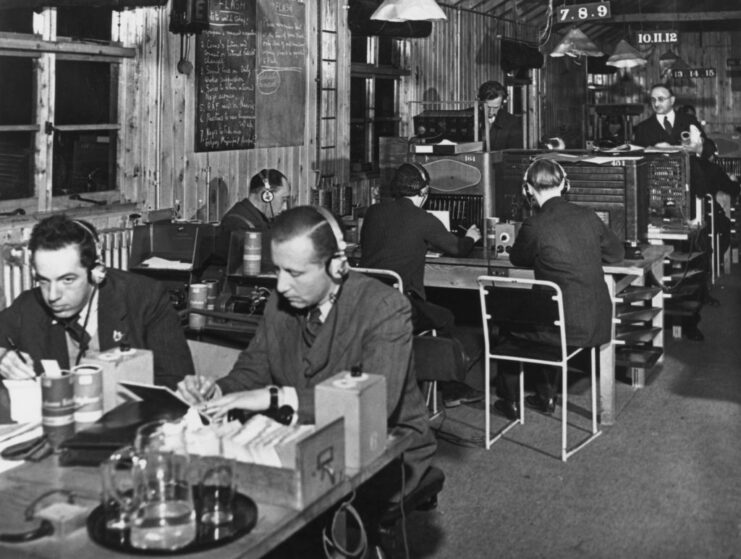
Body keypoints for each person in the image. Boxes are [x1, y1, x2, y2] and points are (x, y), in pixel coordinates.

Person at [179, 205, 437, 499]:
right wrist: (218, 392)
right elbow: (254, 368)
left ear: (336, 266)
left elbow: (376, 405)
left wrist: (278, 398)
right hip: (305, 430)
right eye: (277, 270)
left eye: (294, 273)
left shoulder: (384, 308)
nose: (281, 285)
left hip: (388, 444)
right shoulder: (280, 301)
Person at [0, 215, 195, 420]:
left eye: (67, 280)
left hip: (132, 426)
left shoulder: (145, 298)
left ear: (97, 273)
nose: (52, 295)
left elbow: (177, 382)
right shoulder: (29, 305)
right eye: (43, 281)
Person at [494, 158, 625, 419]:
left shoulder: (535, 224)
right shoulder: (588, 216)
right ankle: (545, 396)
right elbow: (617, 254)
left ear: (527, 190)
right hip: (597, 322)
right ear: (565, 184)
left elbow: (517, 259)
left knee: (509, 323)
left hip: (563, 328)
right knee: (543, 312)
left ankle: (510, 401)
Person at [360, 162, 484, 407]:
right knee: (446, 317)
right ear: (424, 193)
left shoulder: (373, 213)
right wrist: (471, 236)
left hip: (365, 302)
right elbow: (458, 248)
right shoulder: (423, 218)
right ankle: (451, 388)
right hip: (399, 305)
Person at [215, 168, 290, 263]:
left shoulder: (261, 219)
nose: (285, 207)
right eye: (283, 200)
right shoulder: (237, 223)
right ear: (267, 196)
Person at [633, 84, 705, 149]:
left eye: (661, 99)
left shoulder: (689, 120)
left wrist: (697, 147)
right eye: (653, 100)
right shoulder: (643, 128)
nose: (656, 104)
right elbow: (639, 157)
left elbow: (708, 146)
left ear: (672, 100)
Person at [477, 80, 523, 151]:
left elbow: (514, 156)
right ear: (479, 102)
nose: (491, 112)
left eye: (496, 107)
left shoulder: (512, 123)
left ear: (502, 103)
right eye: (487, 107)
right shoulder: (467, 117)